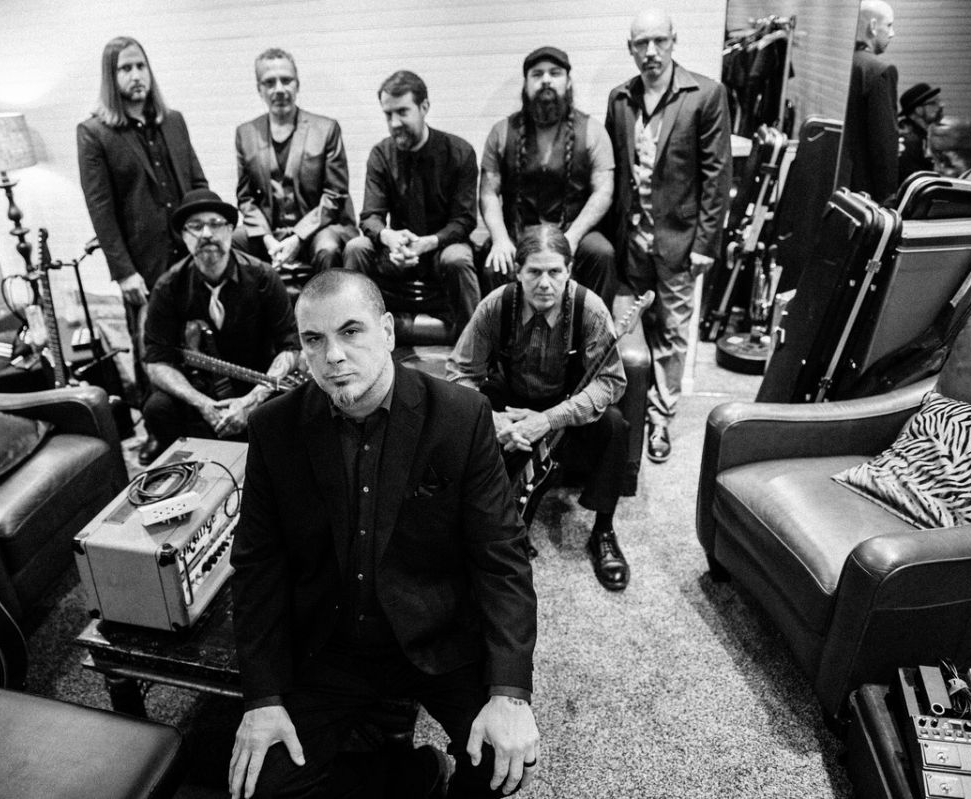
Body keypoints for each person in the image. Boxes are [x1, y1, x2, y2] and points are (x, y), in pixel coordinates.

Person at [228, 269, 539, 798]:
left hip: (435, 636)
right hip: (329, 645)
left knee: (500, 764)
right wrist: (263, 699)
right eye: (314, 340)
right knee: (260, 787)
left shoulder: (461, 416)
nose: (333, 356)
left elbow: (501, 557)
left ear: (389, 331)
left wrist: (510, 692)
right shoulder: (274, 428)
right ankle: (406, 776)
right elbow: (258, 565)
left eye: (351, 331)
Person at [447, 225, 631, 591]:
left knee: (614, 425)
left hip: (566, 404)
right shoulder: (497, 304)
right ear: (518, 271)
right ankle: (489, 520)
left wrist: (548, 420)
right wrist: (495, 421)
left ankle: (603, 531)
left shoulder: (590, 308)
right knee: (463, 416)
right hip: (512, 403)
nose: (545, 283)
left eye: (554, 272)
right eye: (534, 272)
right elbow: (459, 372)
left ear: (569, 271)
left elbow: (611, 382)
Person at [605, 9, 731, 464]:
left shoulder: (706, 95)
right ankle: (631, 409)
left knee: (673, 330)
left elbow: (717, 175)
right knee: (631, 326)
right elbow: (613, 171)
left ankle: (660, 417)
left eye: (659, 40)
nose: (651, 51)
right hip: (630, 240)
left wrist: (706, 244)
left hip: (680, 239)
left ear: (674, 41)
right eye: (642, 43)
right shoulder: (620, 98)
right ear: (631, 48)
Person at [77, 35, 209, 463]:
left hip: (189, 253)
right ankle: (157, 432)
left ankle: (200, 418)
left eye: (140, 66)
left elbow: (197, 181)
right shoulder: (94, 133)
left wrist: (207, 233)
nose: (136, 75)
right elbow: (101, 211)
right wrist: (123, 272)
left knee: (201, 337)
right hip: (143, 263)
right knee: (150, 347)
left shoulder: (174, 121)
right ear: (111, 77)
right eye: (125, 68)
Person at [140, 189, 299, 452]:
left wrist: (251, 401)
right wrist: (203, 404)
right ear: (183, 236)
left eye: (215, 224)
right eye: (195, 226)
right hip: (202, 390)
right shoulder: (168, 287)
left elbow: (291, 346)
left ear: (230, 230)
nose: (206, 234)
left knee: (295, 404)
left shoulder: (263, 277)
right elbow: (157, 361)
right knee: (157, 408)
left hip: (257, 383)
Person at [344, 71, 481, 339]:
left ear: (424, 107)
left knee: (458, 258)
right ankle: (354, 340)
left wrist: (428, 243)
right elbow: (370, 216)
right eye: (388, 114)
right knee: (356, 247)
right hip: (397, 254)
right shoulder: (381, 154)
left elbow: (464, 221)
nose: (394, 123)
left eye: (403, 112)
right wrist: (389, 238)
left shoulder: (459, 152)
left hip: (439, 251)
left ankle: (473, 350)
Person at [480, 47, 617, 305]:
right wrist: (500, 238)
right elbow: (488, 193)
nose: (546, 80)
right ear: (526, 84)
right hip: (519, 233)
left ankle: (594, 328)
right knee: (495, 263)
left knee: (602, 254)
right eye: (537, 74)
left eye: (555, 73)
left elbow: (604, 191)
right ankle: (502, 331)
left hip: (573, 230)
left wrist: (573, 237)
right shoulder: (502, 131)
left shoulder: (592, 130)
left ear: (568, 82)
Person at [233, 48, 358, 273]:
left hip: (319, 229)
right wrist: (267, 239)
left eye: (286, 80)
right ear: (259, 89)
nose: (279, 89)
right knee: (233, 240)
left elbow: (335, 195)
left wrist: (298, 237)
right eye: (269, 82)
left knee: (328, 248)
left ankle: (326, 296)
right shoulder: (246, 134)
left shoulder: (326, 129)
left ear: (297, 84)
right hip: (270, 234)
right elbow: (246, 198)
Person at [841, 0, 899, 201]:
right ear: (873, 27)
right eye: (889, 25)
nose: (892, 33)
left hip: (838, 181)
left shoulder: (844, 63)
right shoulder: (878, 71)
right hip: (865, 191)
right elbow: (883, 143)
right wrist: (888, 197)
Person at [897, 82, 943, 182]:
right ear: (918, 110)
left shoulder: (918, 135)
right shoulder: (910, 141)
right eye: (933, 103)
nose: (941, 105)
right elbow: (913, 182)